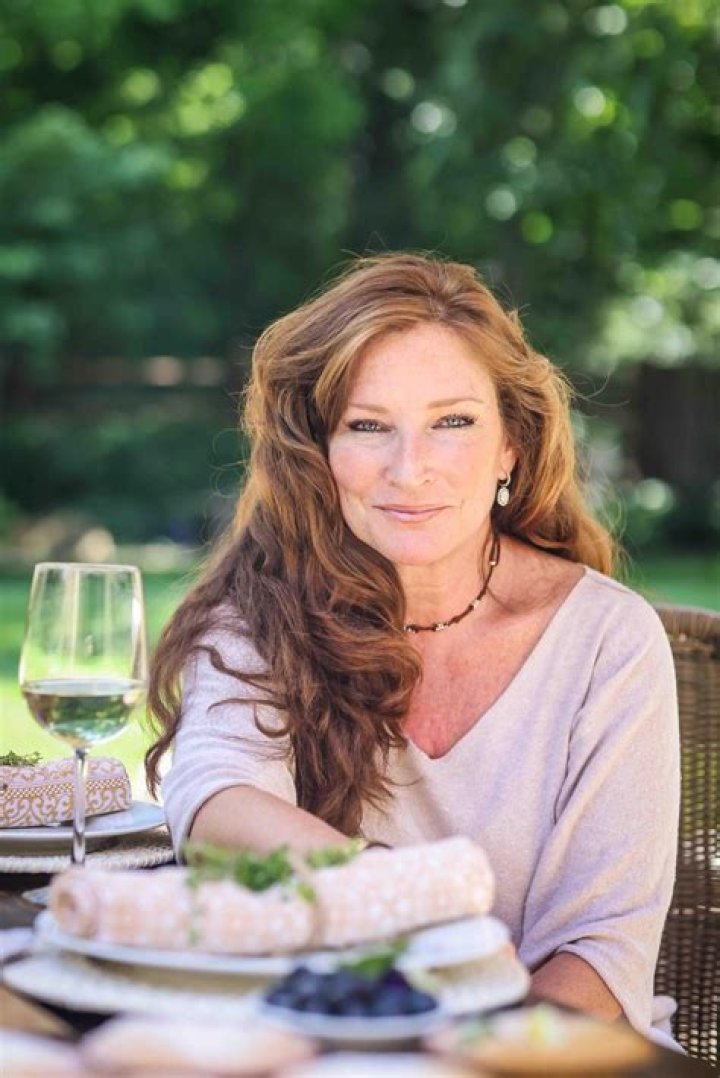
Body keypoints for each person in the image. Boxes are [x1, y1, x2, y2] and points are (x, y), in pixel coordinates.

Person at [146, 253, 679, 1037]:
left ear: (510, 446)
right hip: (331, 1040)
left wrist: (462, 1054)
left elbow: (602, 954)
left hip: (558, 1052)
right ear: (320, 452)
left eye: (452, 422)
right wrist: (405, 897)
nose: (410, 469)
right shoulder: (262, 608)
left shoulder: (608, 640)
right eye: (367, 426)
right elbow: (217, 800)